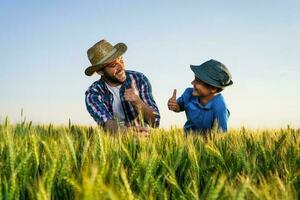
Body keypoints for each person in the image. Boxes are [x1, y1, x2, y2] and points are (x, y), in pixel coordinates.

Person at [84, 39, 160, 135]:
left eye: (121, 60)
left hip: (145, 139)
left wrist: (137, 101)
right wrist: (126, 133)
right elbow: (107, 123)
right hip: (114, 143)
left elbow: (155, 122)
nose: (121, 67)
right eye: (113, 65)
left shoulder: (138, 79)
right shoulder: (93, 93)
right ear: (100, 71)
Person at [168, 59, 233, 134]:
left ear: (213, 88)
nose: (192, 83)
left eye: (198, 81)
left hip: (207, 144)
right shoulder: (188, 93)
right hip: (187, 141)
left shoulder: (220, 107)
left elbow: (221, 135)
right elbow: (179, 107)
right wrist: (175, 106)